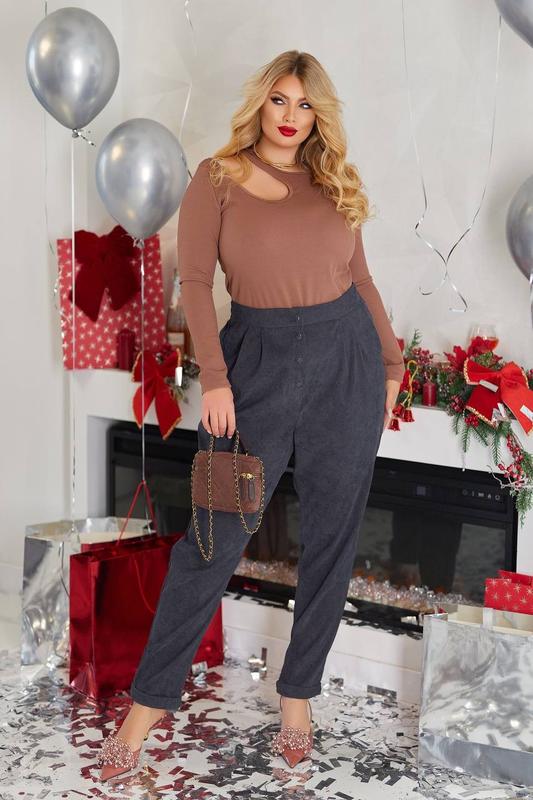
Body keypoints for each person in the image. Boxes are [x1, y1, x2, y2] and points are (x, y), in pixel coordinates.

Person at [96, 49, 403, 780]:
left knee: (330, 542)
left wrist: (391, 367)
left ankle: (296, 699)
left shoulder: (331, 180)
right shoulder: (217, 177)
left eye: (305, 104)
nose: (291, 117)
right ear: (260, 103)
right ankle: (147, 707)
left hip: (346, 364)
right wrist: (215, 380)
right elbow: (197, 282)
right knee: (211, 542)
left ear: (318, 114)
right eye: (279, 100)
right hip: (254, 367)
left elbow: (360, 278)